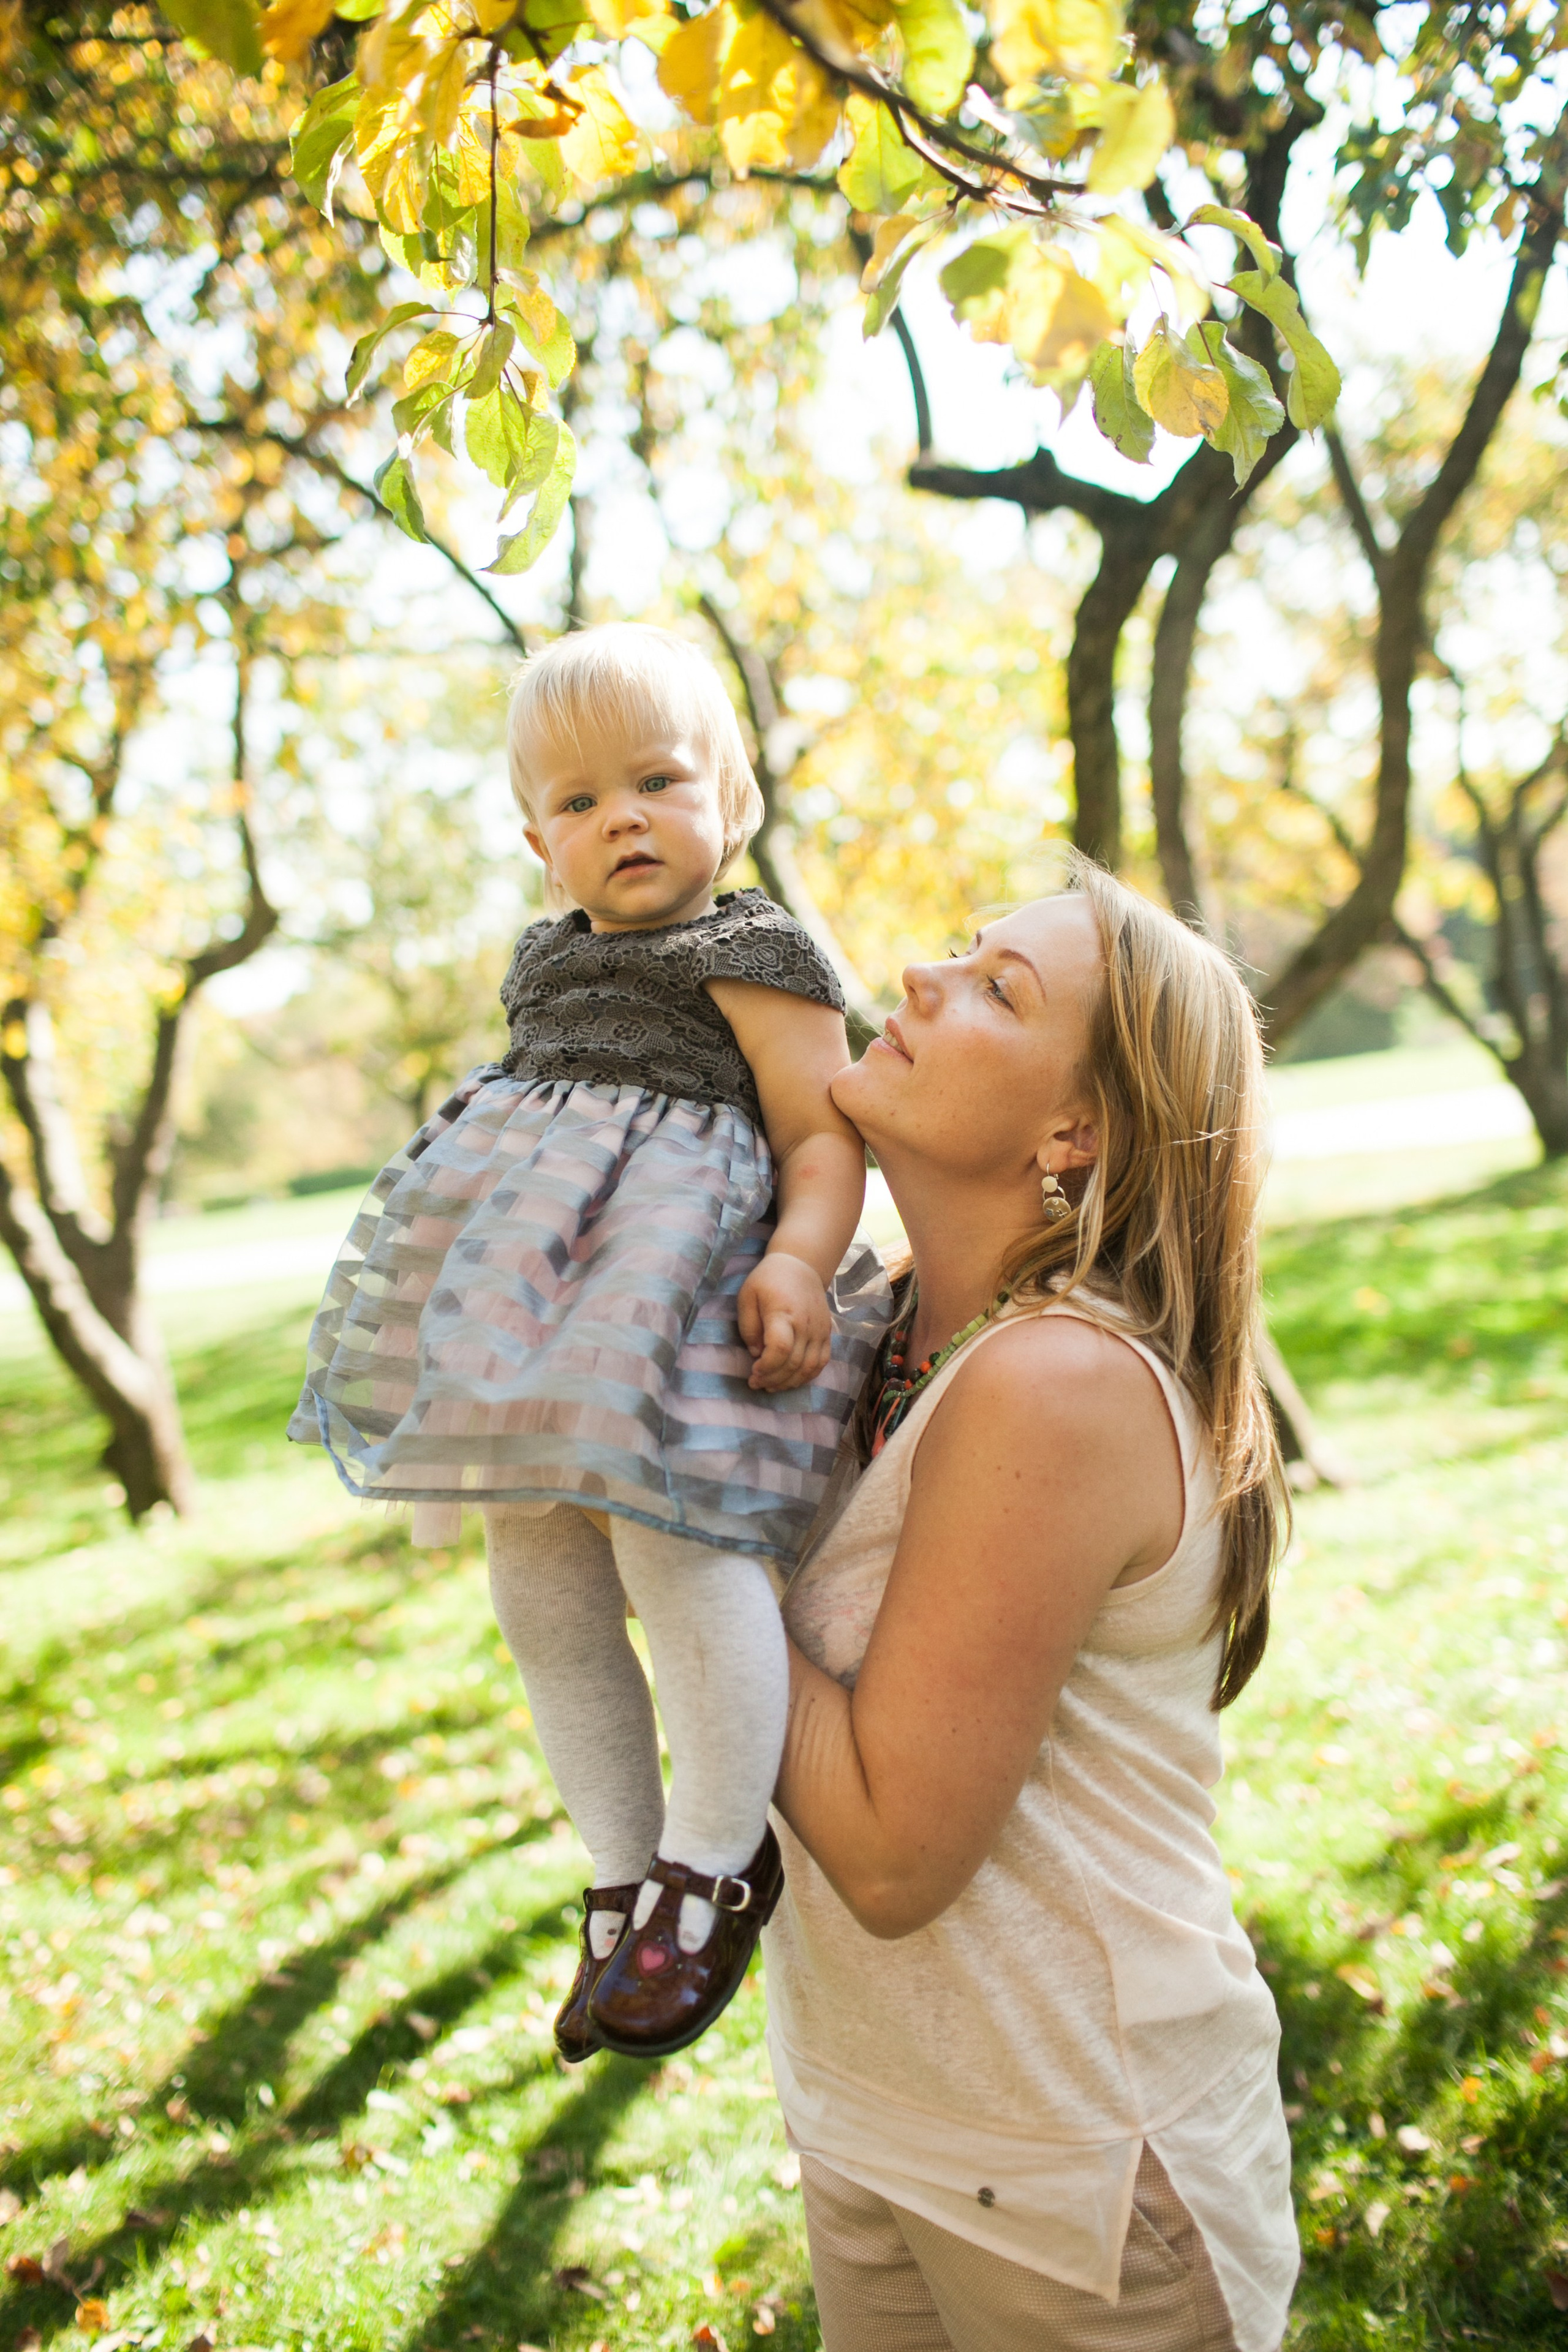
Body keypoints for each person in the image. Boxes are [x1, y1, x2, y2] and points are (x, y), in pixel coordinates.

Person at [289, 624, 888, 2062]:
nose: (620, 815)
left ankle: (714, 1856)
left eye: (657, 779)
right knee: (539, 1584)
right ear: (533, 841)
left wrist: (801, 1262)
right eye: (575, 801)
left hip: (674, 1311)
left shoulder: (754, 951)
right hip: (540, 1326)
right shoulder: (542, 961)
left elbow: (820, 1133)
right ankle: (621, 1871)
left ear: (728, 800)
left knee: (678, 1551)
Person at [765, 859, 1299, 2352]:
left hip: (1079, 2173)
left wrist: (692, 1543)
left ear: (1075, 1131)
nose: (925, 977)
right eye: (957, 949)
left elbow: (886, 1857)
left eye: (998, 990)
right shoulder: (868, 1323)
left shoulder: (1052, 1384)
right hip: (873, 2115)